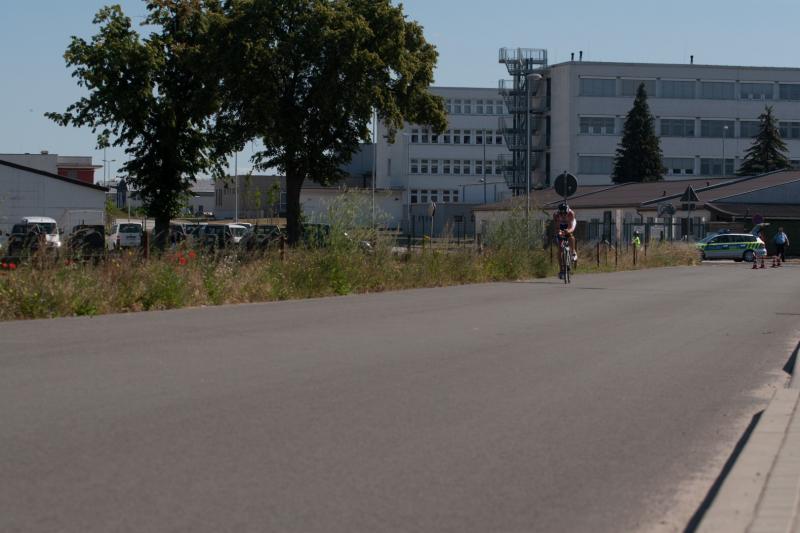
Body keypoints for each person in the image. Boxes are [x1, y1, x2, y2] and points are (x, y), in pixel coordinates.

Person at [554, 202, 577, 276]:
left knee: (570, 236)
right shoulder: (556, 215)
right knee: (560, 249)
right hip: (561, 225)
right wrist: (559, 232)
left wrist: (568, 231)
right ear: (559, 212)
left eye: (565, 213)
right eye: (561, 214)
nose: (563, 215)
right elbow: (557, 227)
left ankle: (573, 252)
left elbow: (571, 227)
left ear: (567, 211)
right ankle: (561, 270)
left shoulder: (571, 214)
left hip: (569, 224)